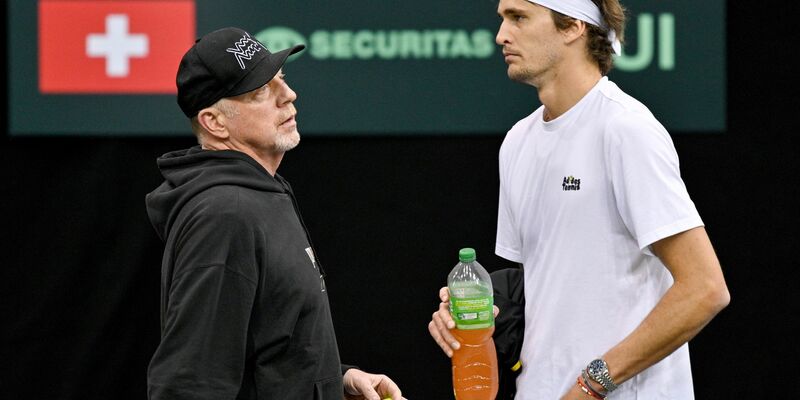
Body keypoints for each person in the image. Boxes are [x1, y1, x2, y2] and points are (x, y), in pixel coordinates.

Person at [428, 0, 730, 398]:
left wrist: (592, 383)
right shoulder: (517, 142)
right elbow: (549, 282)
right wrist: (478, 308)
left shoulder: (626, 129)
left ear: (573, 26)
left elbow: (705, 288)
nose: (501, 35)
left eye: (518, 18)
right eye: (503, 19)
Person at [145, 26, 404, 400]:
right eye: (261, 91)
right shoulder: (225, 215)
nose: (289, 95)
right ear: (214, 122)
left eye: (281, 78)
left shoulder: (261, 193)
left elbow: (271, 343)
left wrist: (336, 381)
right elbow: (189, 385)